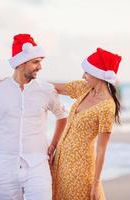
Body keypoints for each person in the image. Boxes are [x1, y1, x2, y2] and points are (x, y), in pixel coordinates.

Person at [0, 34, 68, 200]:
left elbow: (62, 116)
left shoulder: (45, 90)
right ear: (20, 63)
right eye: (35, 62)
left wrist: (53, 145)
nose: (40, 67)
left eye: (40, 61)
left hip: (38, 167)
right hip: (4, 169)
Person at [50, 48, 122, 200]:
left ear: (99, 74)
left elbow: (102, 149)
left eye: (87, 72)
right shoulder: (84, 88)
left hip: (80, 168)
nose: (83, 76)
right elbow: (52, 88)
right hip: (61, 163)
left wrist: (96, 184)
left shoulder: (107, 107)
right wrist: (16, 83)